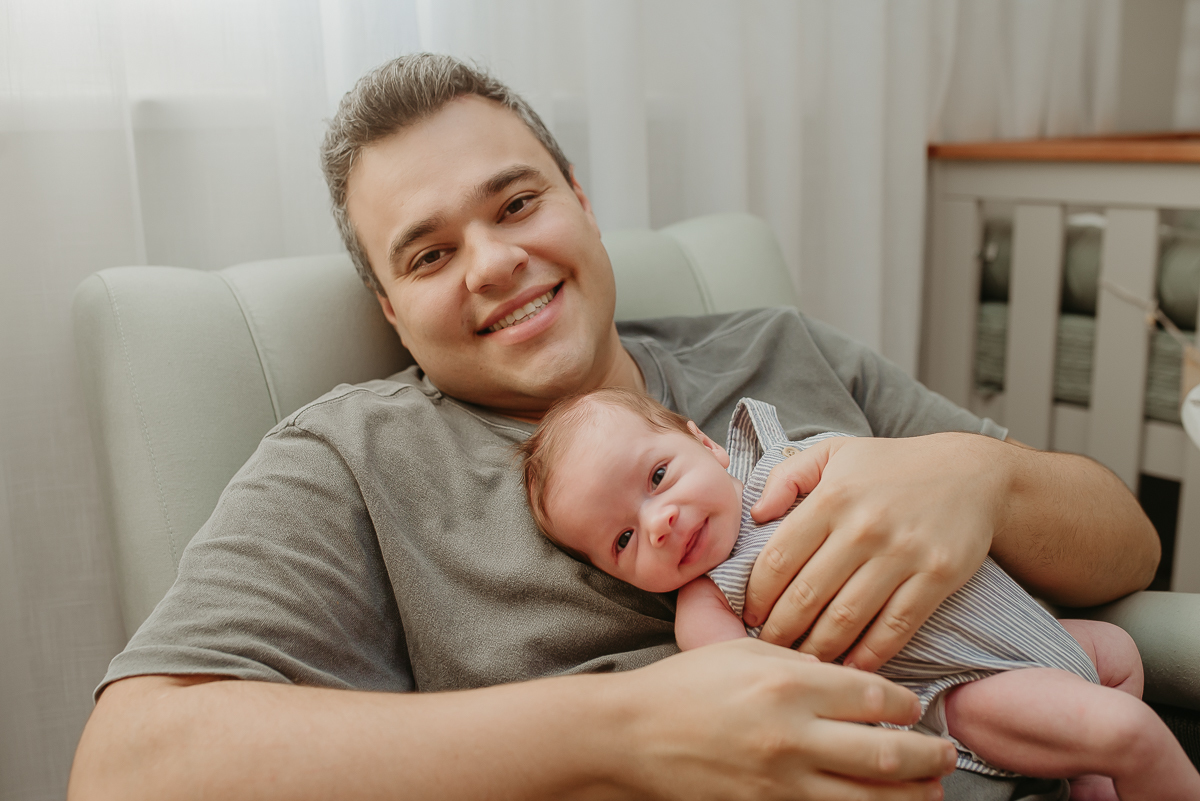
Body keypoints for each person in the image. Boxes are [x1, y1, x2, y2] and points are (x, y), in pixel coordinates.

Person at [68, 53, 1161, 801]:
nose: (496, 263)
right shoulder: (355, 460)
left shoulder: (780, 352)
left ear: (581, 205)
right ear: (393, 312)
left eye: (514, 205)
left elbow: (1129, 543)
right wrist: (628, 732)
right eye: (430, 253)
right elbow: (129, 767)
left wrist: (978, 479)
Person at [519, 388, 1200, 800]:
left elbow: (916, 478)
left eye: (659, 475)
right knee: (1130, 730)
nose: (659, 522)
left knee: (1121, 657)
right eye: (623, 540)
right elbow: (759, 698)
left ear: (705, 441)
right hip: (962, 686)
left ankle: (1086, 781)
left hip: (1035, 632)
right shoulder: (706, 605)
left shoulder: (797, 460)